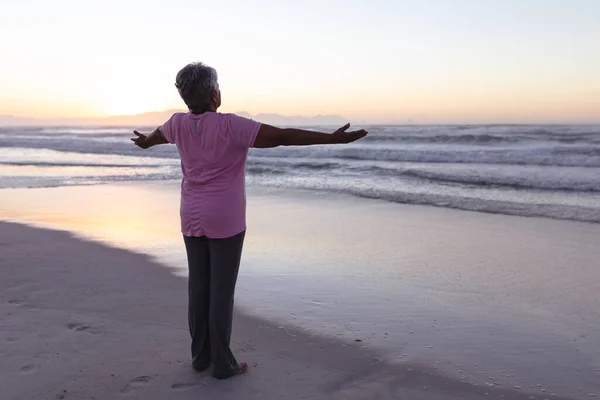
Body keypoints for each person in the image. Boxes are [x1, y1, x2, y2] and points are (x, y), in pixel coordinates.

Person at [130, 62, 367, 379]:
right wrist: (331, 139)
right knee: (221, 291)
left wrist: (145, 141)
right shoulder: (230, 125)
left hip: (191, 214)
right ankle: (223, 365)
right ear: (215, 93)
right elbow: (282, 136)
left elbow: (158, 136)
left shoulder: (177, 124)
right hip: (225, 217)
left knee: (199, 287)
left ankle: (201, 357)